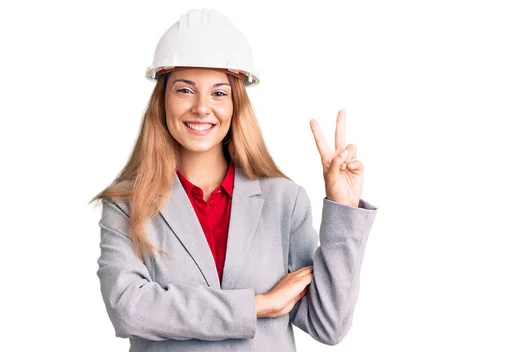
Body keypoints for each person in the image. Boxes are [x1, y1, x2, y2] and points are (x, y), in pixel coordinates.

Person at [90, 8, 378, 352]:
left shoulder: (285, 201)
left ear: (236, 105)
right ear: (162, 100)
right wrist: (259, 305)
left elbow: (328, 324)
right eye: (184, 90)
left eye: (218, 93)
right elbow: (129, 310)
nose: (201, 107)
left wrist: (343, 210)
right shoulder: (126, 204)